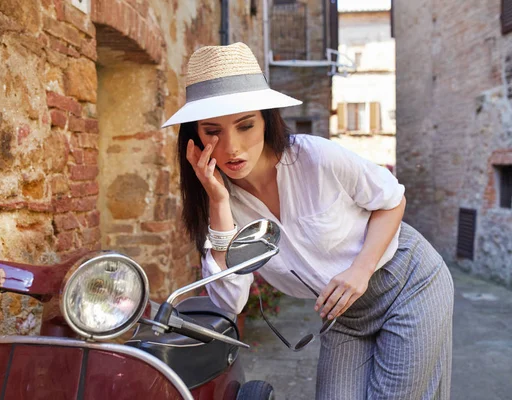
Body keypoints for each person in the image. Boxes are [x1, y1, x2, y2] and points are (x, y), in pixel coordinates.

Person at [162, 42, 454, 400]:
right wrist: (219, 203)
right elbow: (228, 303)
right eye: (213, 131)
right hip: (343, 316)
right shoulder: (223, 203)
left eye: (245, 125)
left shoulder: (315, 158)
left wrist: (360, 270)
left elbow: (392, 200)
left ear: (266, 119)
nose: (231, 147)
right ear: (196, 137)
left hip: (407, 282)